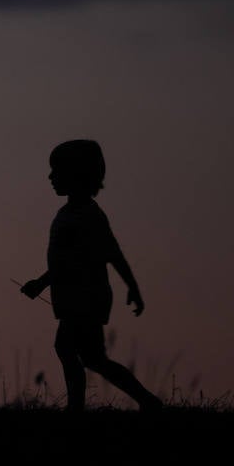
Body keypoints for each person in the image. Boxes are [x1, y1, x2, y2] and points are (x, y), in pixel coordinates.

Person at [20, 139, 164, 411]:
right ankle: (148, 402)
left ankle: (76, 407)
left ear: (76, 175)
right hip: (77, 297)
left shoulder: (87, 216)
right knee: (94, 359)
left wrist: (132, 287)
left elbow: (110, 254)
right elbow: (69, 261)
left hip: (85, 298)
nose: (51, 177)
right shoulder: (72, 213)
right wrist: (41, 283)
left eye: (57, 171)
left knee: (67, 348)